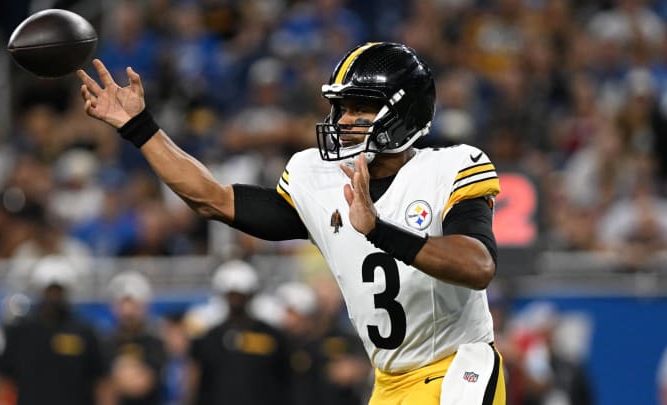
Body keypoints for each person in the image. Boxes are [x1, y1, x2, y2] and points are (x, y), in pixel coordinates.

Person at [78, 41, 506, 404]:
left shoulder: (451, 167)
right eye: (341, 109)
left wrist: (378, 229)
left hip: (459, 365)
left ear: (405, 114)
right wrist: (139, 127)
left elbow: (478, 266)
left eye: (360, 109)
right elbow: (211, 199)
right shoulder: (315, 179)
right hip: (391, 382)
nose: (342, 122)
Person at [0, 255, 112, 405]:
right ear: (40, 290)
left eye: (58, 291)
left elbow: (101, 381)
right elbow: (4, 380)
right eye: (49, 290)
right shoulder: (20, 331)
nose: (53, 297)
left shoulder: (84, 331)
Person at [187, 260, 292, 405]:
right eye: (232, 295)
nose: (236, 300)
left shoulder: (272, 336)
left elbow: (285, 377)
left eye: (241, 295)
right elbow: (196, 378)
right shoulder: (209, 337)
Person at [104, 270, 166, 405]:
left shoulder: (156, 341)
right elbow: (104, 387)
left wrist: (120, 377)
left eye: (133, 304)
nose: (128, 310)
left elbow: (142, 384)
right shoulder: (105, 342)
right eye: (122, 303)